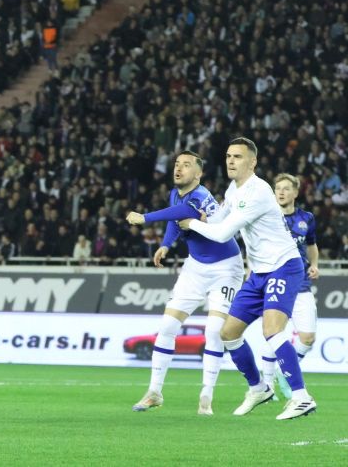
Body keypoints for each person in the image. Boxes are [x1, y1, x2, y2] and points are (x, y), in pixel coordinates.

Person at [181, 137, 316, 420]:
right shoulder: (234, 189)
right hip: (258, 272)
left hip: (283, 265)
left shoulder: (258, 191)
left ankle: (301, 397)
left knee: (272, 330)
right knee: (228, 333)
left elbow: (222, 234)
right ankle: (258, 388)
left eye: (238, 157)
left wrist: (190, 223)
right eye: (228, 156)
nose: (231, 161)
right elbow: (218, 221)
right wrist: (202, 217)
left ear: (252, 162)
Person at [125, 151, 243, 415]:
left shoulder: (199, 196)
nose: (179, 168)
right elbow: (175, 220)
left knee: (214, 330)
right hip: (195, 268)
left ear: (198, 174)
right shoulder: (175, 194)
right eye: (177, 164)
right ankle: (154, 392)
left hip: (226, 268)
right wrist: (166, 245)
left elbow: (182, 212)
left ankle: (206, 396)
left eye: (186, 165)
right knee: (167, 325)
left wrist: (145, 218)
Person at [266, 173, 318, 398]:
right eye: (278, 188)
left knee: (308, 338)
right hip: (276, 282)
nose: (281, 192)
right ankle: (266, 386)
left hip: (301, 285)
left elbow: (312, 244)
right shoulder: (267, 217)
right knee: (273, 333)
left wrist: (314, 264)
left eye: (286, 188)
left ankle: (283, 372)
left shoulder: (306, 218)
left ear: (296, 192)